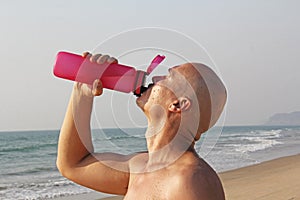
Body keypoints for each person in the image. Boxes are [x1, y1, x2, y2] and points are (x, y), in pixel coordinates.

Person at [56, 52, 227, 200]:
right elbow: (72, 164)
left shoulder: (193, 180)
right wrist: (82, 91)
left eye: (167, 77)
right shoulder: (138, 167)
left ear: (178, 105)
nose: (154, 78)